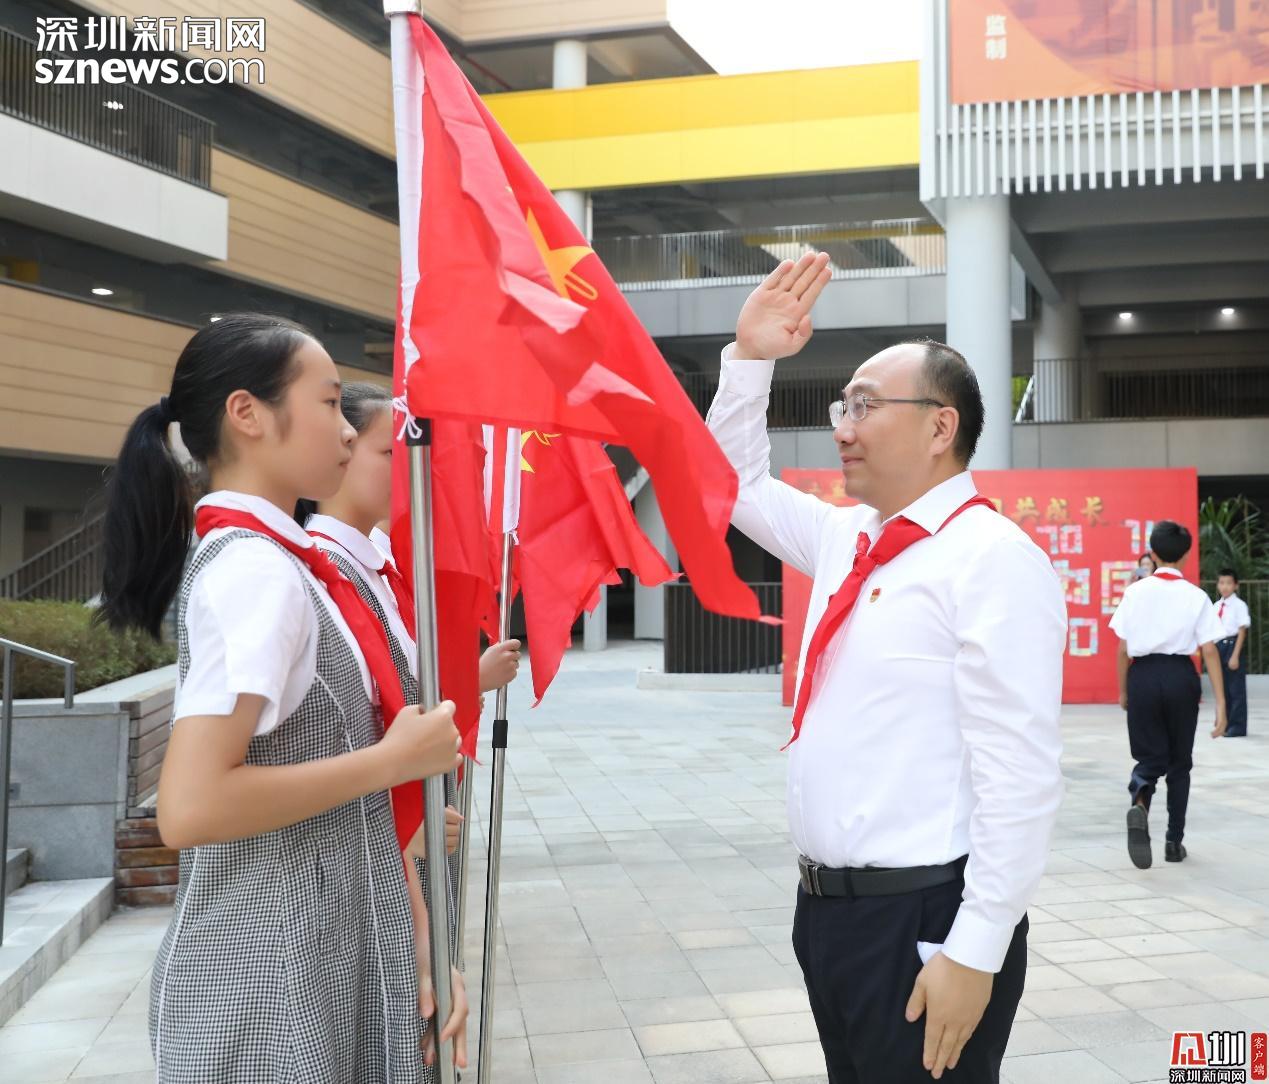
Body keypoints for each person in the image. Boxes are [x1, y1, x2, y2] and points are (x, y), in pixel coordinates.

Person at [707, 253, 1066, 1084]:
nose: (843, 426)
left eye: (865, 406)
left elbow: (1018, 773)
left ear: (940, 428)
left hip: (923, 921)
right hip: (827, 917)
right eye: (843, 405)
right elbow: (730, 485)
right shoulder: (848, 537)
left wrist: (975, 948)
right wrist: (750, 357)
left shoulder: (992, 558)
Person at [99, 314, 467, 1082]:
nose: (346, 428)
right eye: (329, 402)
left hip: (319, 952)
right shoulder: (255, 571)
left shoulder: (284, 564)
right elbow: (191, 807)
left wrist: (418, 938)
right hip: (269, 977)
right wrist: (391, 761)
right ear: (248, 414)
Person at [298, 382, 521, 1041]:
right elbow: (350, 730)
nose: (411, 468)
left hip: (403, 828)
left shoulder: (373, 565)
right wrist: (400, 822)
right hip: (375, 842)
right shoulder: (324, 570)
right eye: (392, 452)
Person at [1109, 521, 1227, 869]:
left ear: (1153, 553)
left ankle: (1140, 803)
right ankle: (1174, 842)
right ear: (1186, 555)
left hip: (1143, 676)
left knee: (1149, 759)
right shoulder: (1196, 596)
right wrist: (1222, 704)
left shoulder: (1135, 592)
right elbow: (1208, 650)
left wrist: (1124, 690)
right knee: (1180, 763)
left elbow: (1122, 649)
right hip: (1180, 677)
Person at [1213, 568, 1251, 737]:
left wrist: (1235, 655)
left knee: (1235, 689)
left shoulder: (1239, 605)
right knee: (1222, 688)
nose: (1225, 586)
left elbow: (1242, 630)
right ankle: (1224, 723)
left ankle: (1237, 726)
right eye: (1222, 583)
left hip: (1232, 645)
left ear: (1236, 585)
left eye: (1229, 583)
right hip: (1219, 646)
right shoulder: (1216, 606)